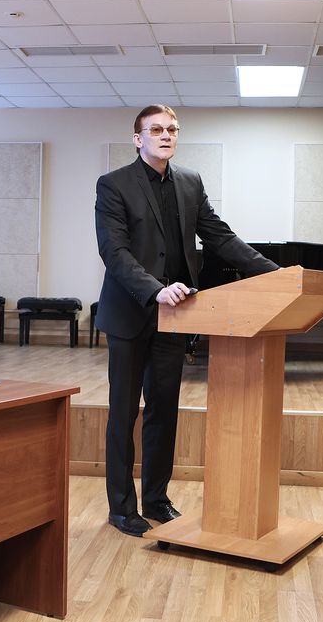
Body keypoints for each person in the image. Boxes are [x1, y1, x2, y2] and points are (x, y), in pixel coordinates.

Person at [94, 104, 279, 537]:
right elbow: (114, 251)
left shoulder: (191, 182)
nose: (166, 135)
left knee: (164, 411)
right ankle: (121, 508)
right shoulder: (113, 185)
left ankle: (157, 499)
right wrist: (153, 289)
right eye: (156, 129)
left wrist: (276, 273)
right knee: (124, 413)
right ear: (138, 139)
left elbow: (221, 237)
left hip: (175, 317)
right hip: (130, 313)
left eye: (172, 130)